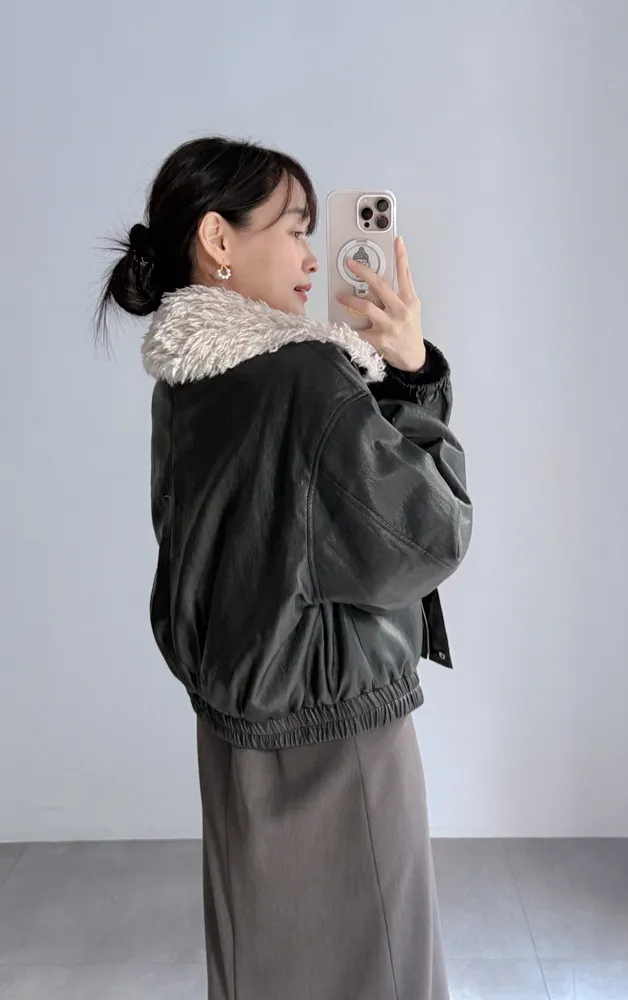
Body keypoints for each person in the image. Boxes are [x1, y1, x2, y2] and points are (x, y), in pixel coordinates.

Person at [98, 135, 472, 1000]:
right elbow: (430, 535)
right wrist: (412, 375)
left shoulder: (184, 379)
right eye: (294, 229)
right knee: (376, 973)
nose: (311, 256)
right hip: (339, 746)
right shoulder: (304, 375)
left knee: (261, 969)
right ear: (218, 240)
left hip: (234, 739)